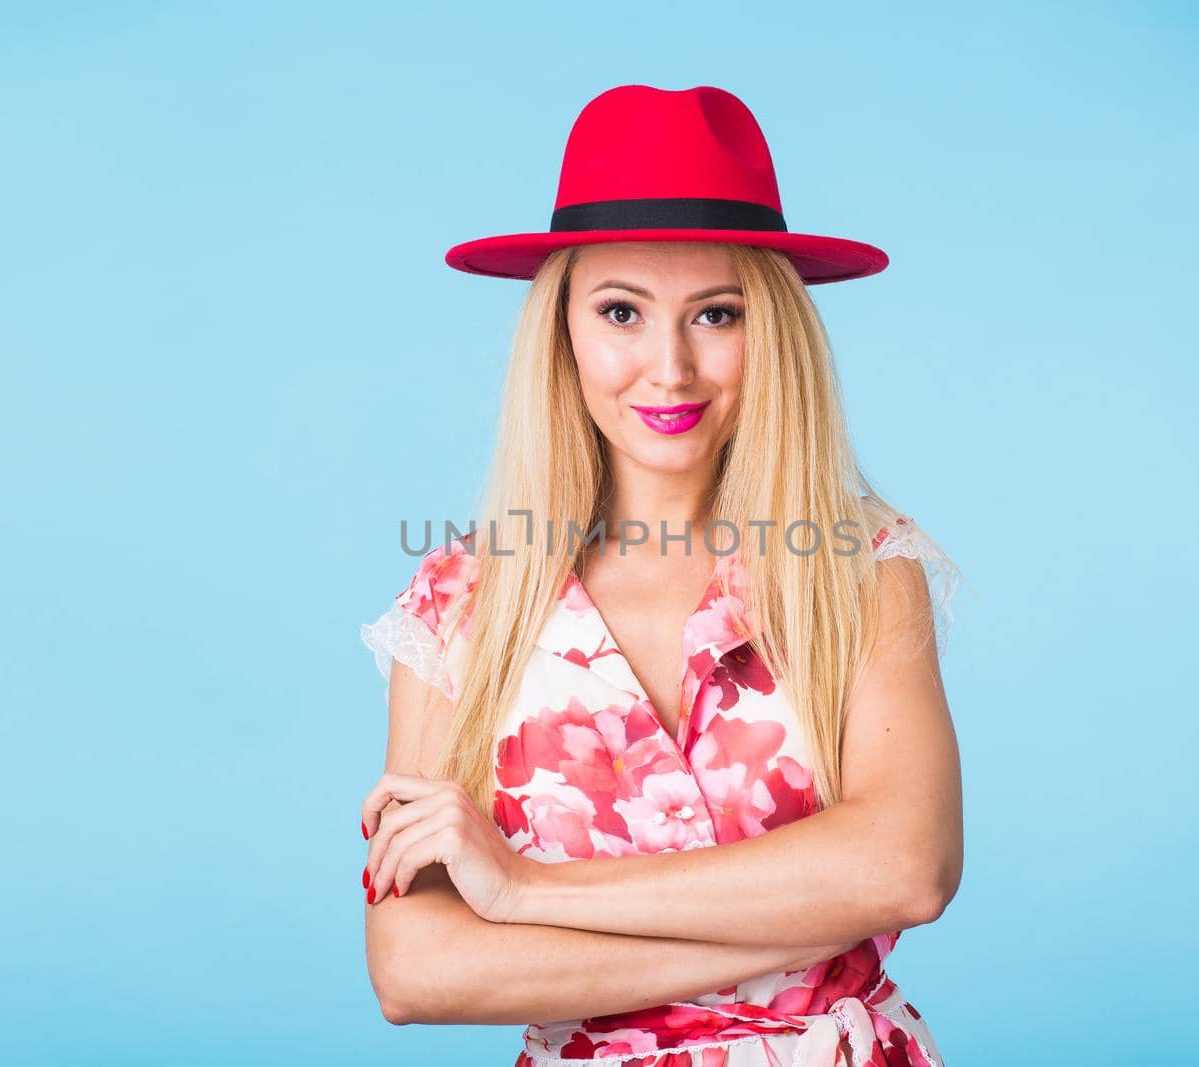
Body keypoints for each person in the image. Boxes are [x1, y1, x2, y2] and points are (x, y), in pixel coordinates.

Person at [358, 84, 966, 1067]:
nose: (669, 367)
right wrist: (813, 910)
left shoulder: (859, 568)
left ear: (770, 330)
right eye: (621, 311)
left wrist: (524, 893)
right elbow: (420, 969)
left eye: (715, 313)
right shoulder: (458, 605)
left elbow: (906, 865)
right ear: (561, 329)